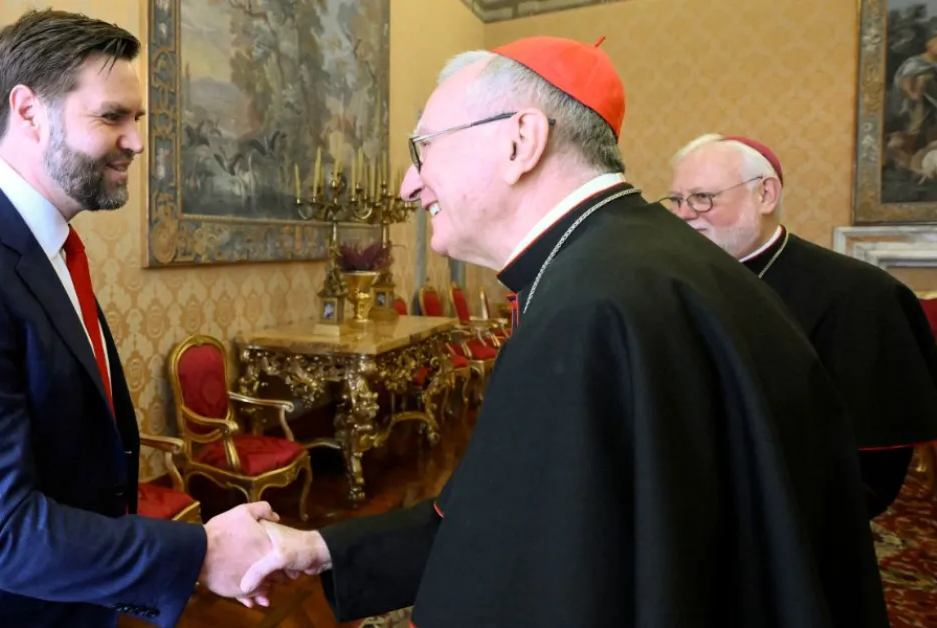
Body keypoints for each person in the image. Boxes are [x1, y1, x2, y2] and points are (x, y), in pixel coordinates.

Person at [235, 37, 890, 627]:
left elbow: (542, 577)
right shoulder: (630, 263)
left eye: (423, 147)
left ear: (520, 140)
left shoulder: (592, 306)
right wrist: (320, 546)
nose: (410, 184)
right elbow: (500, 512)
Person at [0, 10, 276, 628]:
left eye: (137, 119)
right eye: (111, 117)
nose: (136, 141)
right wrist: (200, 553)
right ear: (28, 110)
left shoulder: (37, 244)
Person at [666, 134, 937, 517]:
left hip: (789, 513)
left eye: (702, 198)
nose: (683, 215)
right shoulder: (672, 280)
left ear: (765, 195)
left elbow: (869, 474)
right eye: (676, 200)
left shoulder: (860, 294)